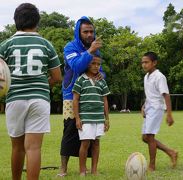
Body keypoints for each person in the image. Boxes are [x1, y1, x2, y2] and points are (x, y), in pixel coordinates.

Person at [0, 3, 62, 179]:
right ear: (37, 22)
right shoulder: (46, 44)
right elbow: (57, 77)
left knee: (17, 147)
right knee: (33, 147)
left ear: (15, 21)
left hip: (15, 99)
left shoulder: (6, 44)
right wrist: (41, 85)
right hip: (39, 100)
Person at [59, 16, 103, 176]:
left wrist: (101, 75)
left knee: (90, 134)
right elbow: (77, 66)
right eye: (86, 31)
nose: (90, 34)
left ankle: (90, 169)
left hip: (90, 97)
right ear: (78, 32)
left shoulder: (96, 50)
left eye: (92, 31)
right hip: (71, 96)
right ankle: (63, 168)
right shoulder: (69, 48)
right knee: (69, 130)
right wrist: (90, 51)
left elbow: (99, 68)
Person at [72, 55, 110, 176]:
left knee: (96, 143)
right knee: (85, 143)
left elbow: (105, 100)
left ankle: (94, 170)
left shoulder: (102, 81)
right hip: (85, 118)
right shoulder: (80, 80)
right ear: (87, 64)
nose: (96, 66)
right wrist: (77, 118)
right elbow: (75, 100)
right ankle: (82, 170)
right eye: (93, 63)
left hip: (99, 117)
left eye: (98, 64)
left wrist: (107, 119)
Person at [141, 52, 178, 171]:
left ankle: (152, 165)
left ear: (154, 63)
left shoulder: (159, 76)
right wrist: (144, 106)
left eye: (146, 62)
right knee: (145, 138)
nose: (144, 65)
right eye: (142, 62)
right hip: (149, 108)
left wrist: (169, 114)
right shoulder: (146, 77)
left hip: (156, 108)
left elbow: (166, 95)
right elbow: (150, 94)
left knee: (150, 136)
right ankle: (171, 152)